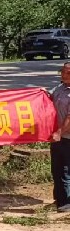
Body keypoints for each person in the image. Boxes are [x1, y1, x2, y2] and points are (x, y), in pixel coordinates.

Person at [49, 63, 70, 213]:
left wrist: (60, 132)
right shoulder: (59, 88)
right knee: (56, 169)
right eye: (62, 71)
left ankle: (67, 202)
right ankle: (59, 199)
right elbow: (47, 97)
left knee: (66, 170)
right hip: (57, 137)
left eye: (68, 72)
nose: (64, 74)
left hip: (66, 137)